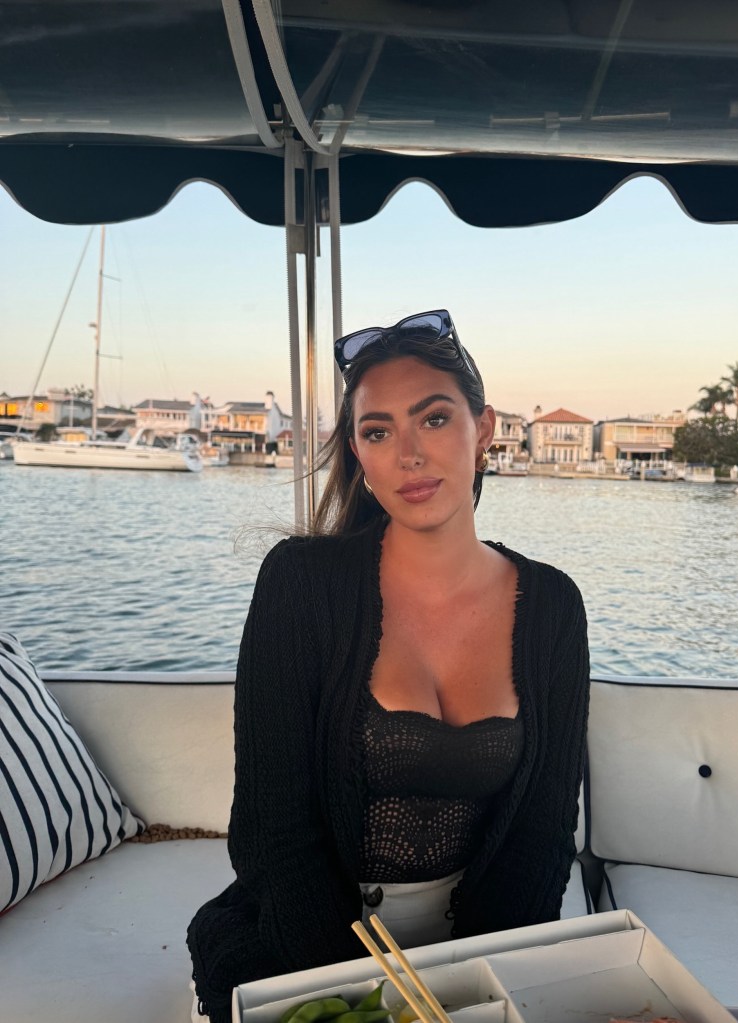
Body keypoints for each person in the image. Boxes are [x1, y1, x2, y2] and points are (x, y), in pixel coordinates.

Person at [187, 310, 589, 1023]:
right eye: (377, 432)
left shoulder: (553, 605)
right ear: (360, 455)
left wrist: (478, 990)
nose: (407, 453)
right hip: (300, 948)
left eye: (433, 419)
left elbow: (544, 831)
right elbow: (272, 829)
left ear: (485, 427)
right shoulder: (301, 585)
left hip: (475, 949)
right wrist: (355, 1001)